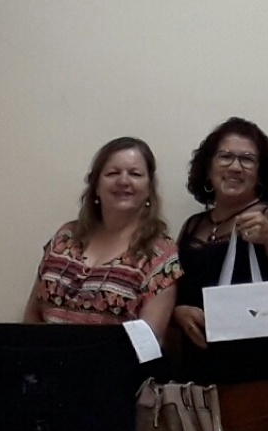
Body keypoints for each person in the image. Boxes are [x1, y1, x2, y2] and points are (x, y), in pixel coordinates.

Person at [172, 117, 268, 431]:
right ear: (208, 168)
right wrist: (179, 313)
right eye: (225, 157)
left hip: (261, 385)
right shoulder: (192, 227)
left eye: (247, 159)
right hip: (198, 388)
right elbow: (176, 293)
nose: (235, 167)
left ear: (260, 173)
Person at [23, 137, 182, 344]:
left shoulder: (160, 255)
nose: (123, 181)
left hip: (114, 363)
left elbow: (149, 342)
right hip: (44, 359)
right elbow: (32, 315)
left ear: (149, 188)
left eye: (135, 174)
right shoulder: (65, 237)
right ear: (96, 186)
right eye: (112, 173)